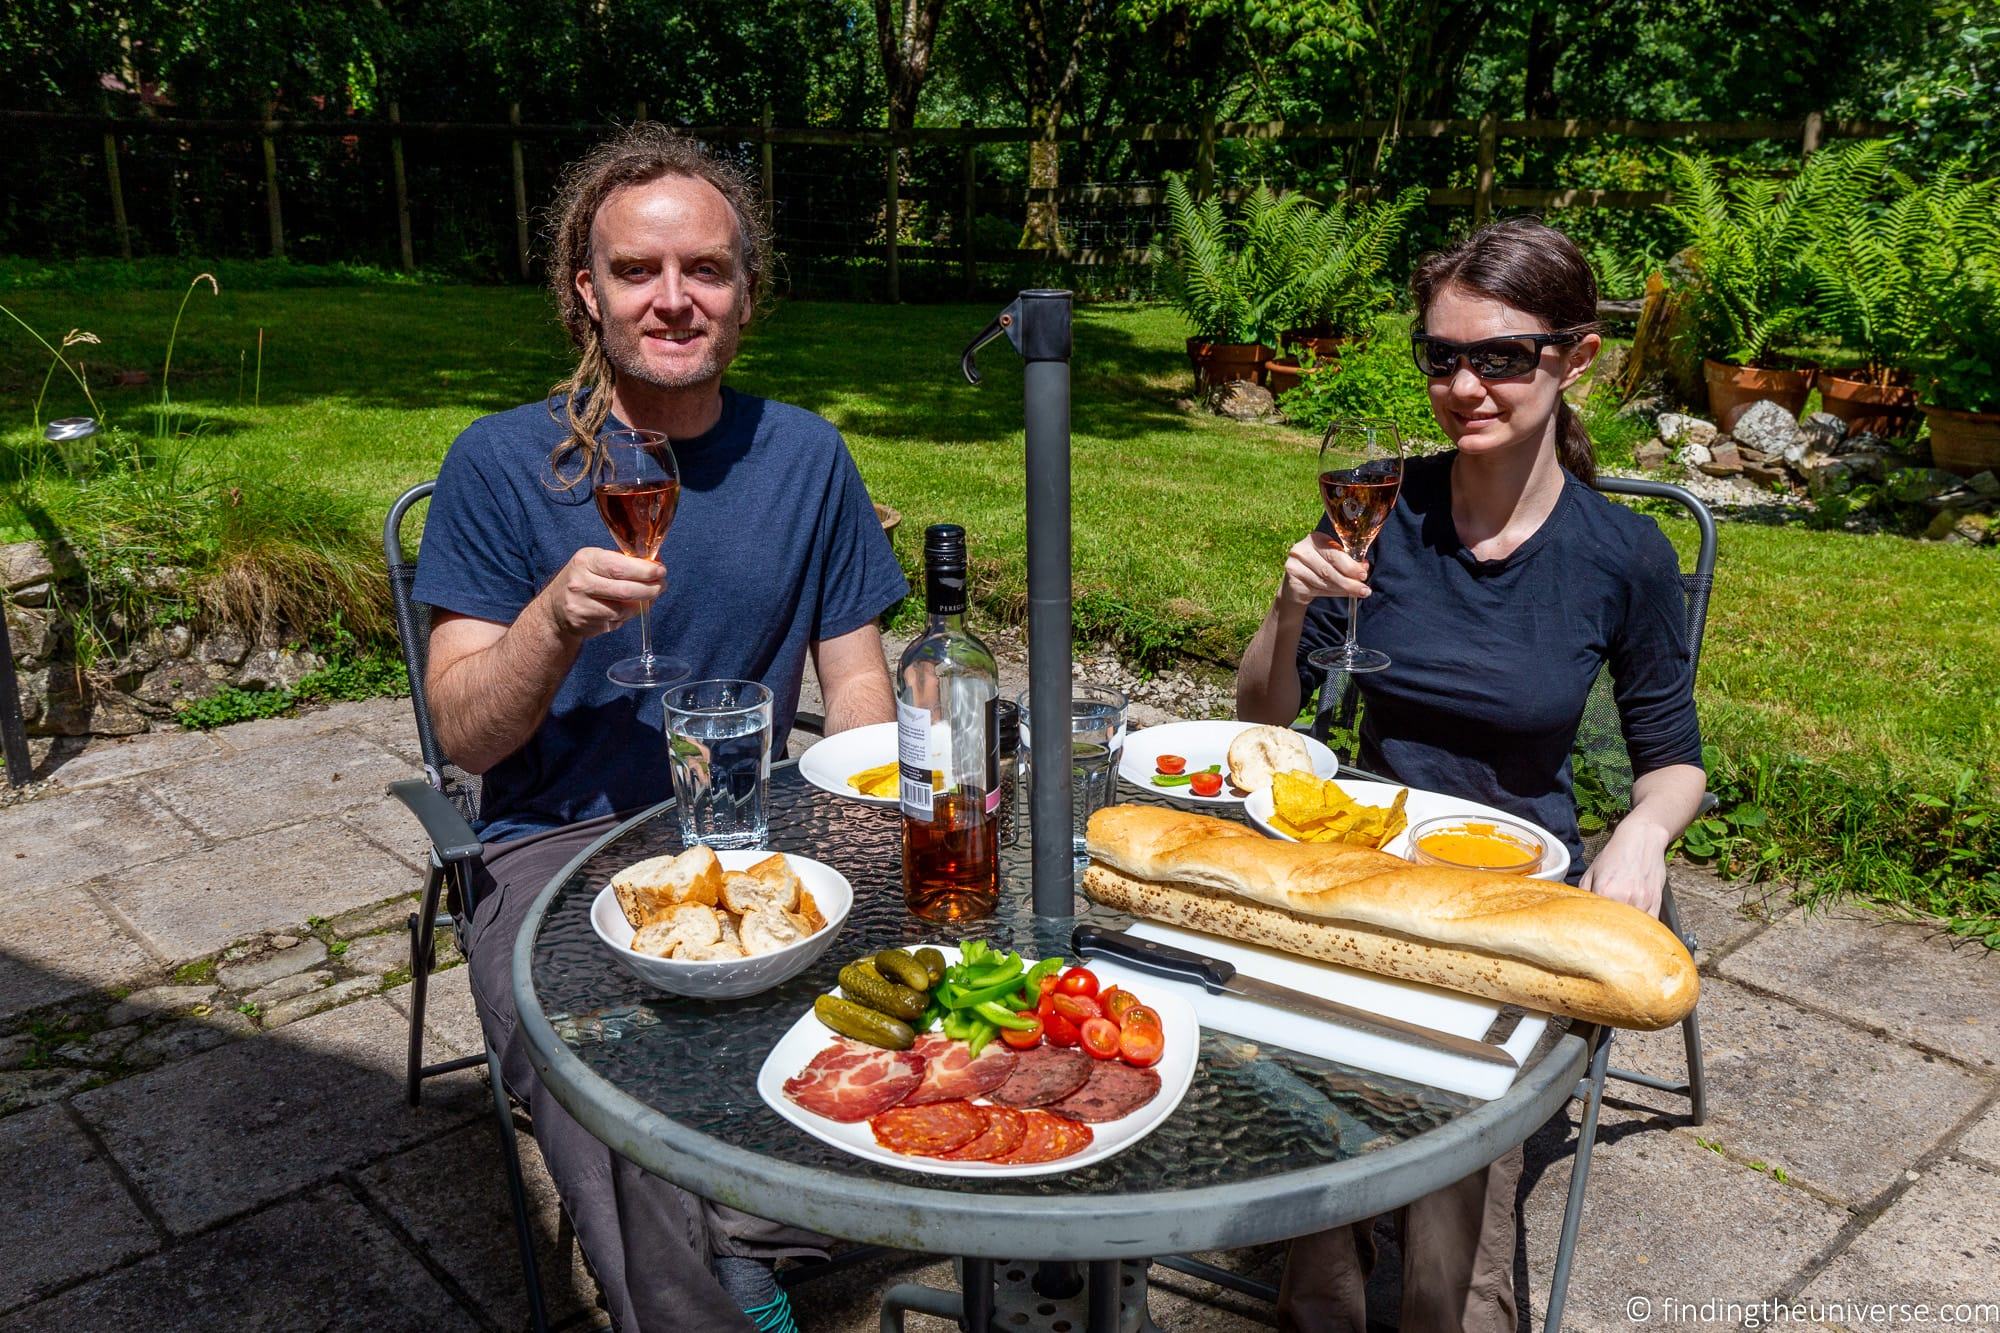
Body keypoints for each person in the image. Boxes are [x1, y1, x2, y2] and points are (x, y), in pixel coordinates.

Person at [413, 124, 908, 1332]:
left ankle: (740, 1226)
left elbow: (856, 690)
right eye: (637, 270)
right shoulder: (498, 463)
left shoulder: (803, 454)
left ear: (746, 293)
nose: (673, 300)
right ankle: (701, 1305)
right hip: (556, 841)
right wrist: (549, 622)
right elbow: (465, 737)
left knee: (934, 1006)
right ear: (586, 292)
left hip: (761, 827)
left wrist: (868, 823)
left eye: (707, 271)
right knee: (599, 1074)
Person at [1234, 217, 1706, 1332]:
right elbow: (1260, 715)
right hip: (1360, 855)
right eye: (1439, 357)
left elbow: (1671, 760)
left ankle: (1449, 1306)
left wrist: (1638, 833)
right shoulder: (1376, 505)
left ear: (1572, 358)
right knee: (1313, 1056)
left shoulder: (1619, 556)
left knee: (1447, 1124)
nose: (1463, 384)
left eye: (1498, 356)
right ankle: (1325, 1297)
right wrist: (1291, 598)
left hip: (1512, 879)